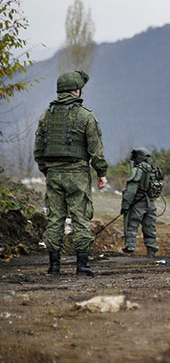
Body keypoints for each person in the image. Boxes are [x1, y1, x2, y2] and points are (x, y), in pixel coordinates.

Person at [34, 70, 108, 276]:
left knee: (55, 218)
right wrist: (101, 173)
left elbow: (38, 149)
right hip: (77, 174)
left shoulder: (46, 115)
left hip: (54, 174)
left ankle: (54, 266)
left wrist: (46, 170)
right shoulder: (86, 116)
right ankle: (82, 266)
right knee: (80, 217)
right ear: (77, 90)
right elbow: (96, 149)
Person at [120, 147, 163, 257]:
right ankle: (152, 250)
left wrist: (125, 205)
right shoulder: (155, 170)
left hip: (138, 204)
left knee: (132, 226)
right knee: (150, 227)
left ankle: (130, 249)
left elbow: (131, 190)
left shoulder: (137, 170)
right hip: (151, 203)